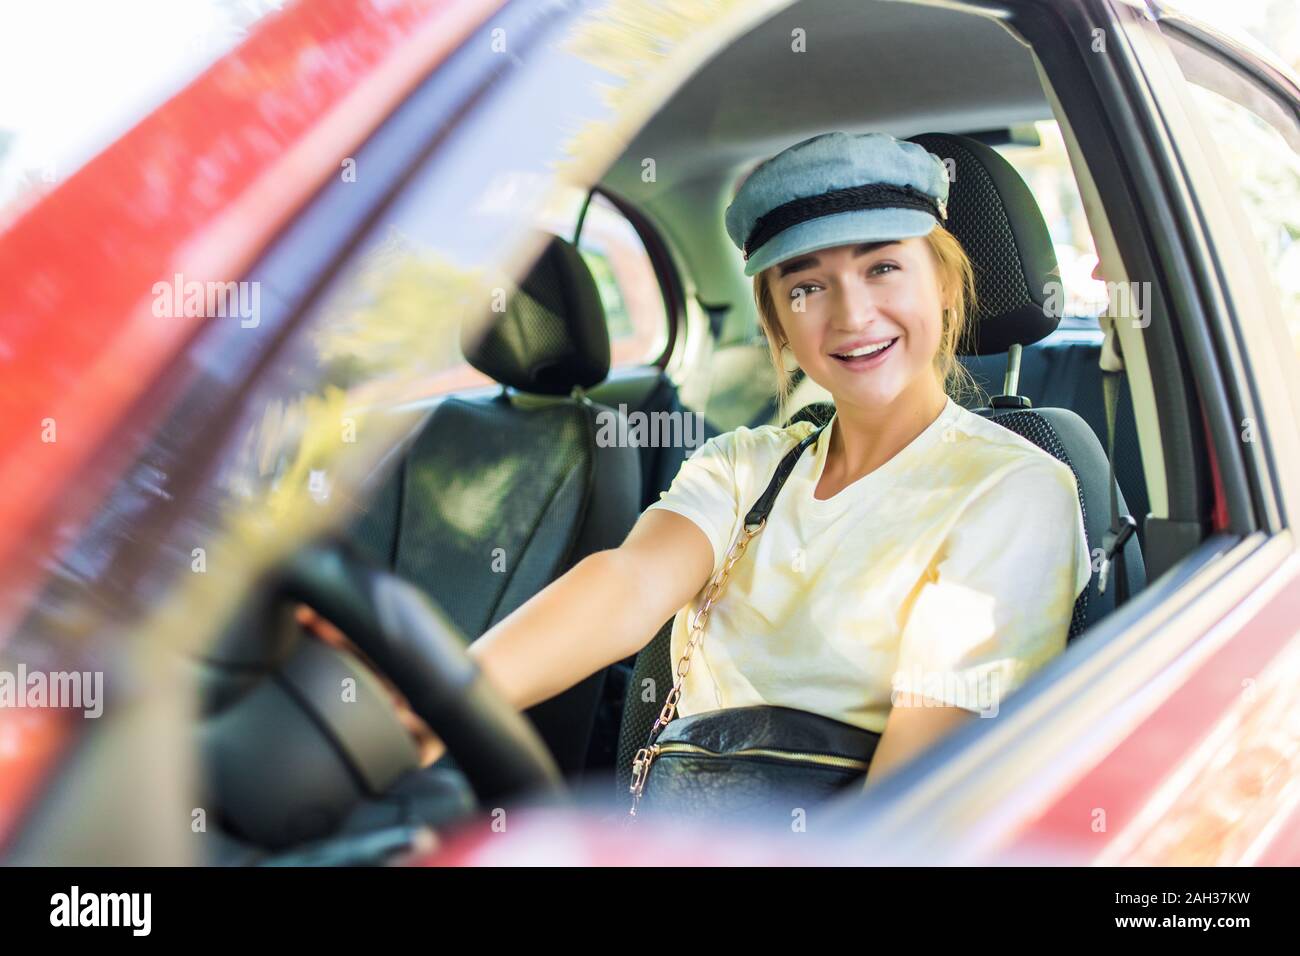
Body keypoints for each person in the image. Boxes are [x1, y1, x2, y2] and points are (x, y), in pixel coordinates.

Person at [458, 131, 1092, 784]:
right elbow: (628, 583)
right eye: (807, 286)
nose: (851, 314)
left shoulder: (1013, 491)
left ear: (946, 286)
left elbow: (913, 802)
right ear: (779, 322)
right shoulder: (741, 464)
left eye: (881, 268)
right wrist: (441, 706)